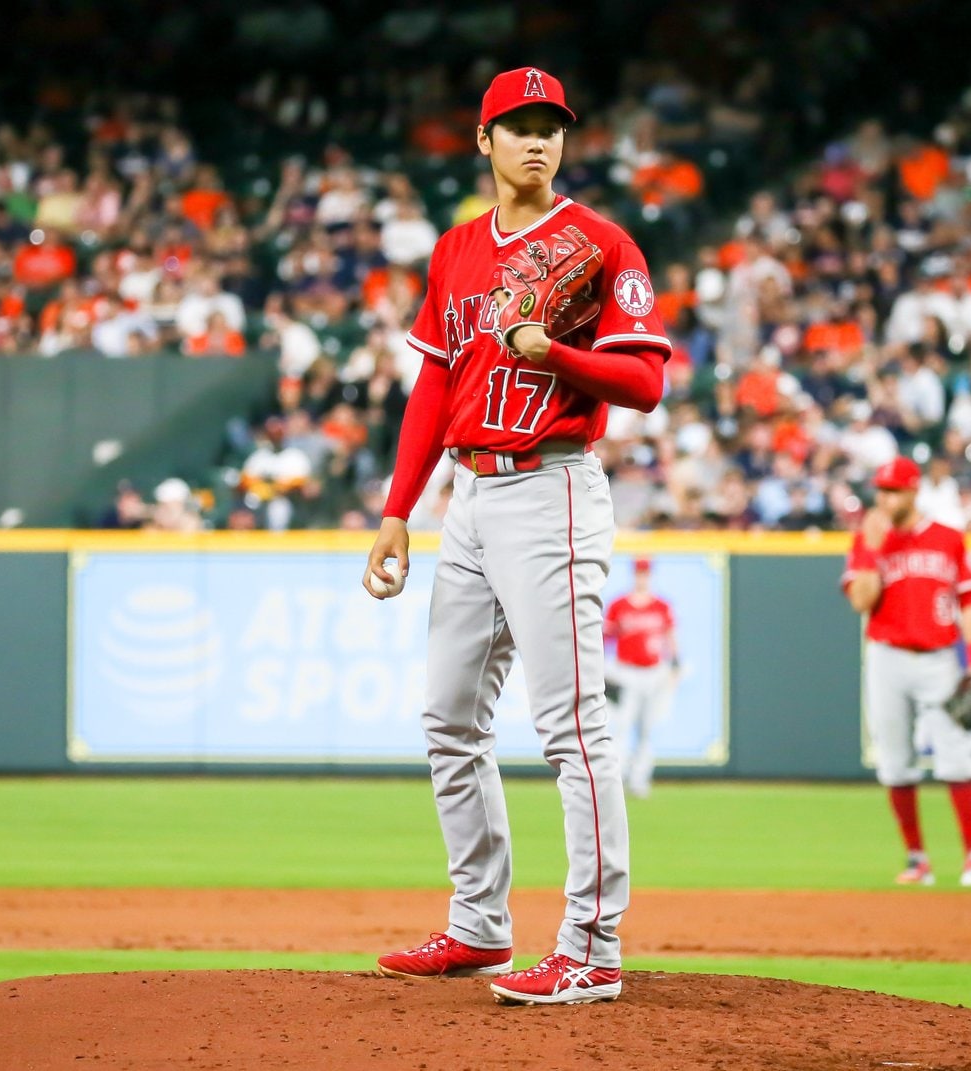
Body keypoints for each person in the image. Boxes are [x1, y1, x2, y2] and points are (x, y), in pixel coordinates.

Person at [365, 67, 670, 1006]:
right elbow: (432, 387)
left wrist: (560, 353)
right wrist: (397, 510)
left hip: (552, 488)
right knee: (450, 718)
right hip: (467, 497)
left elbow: (646, 385)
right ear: (485, 142)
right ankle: (478, 925)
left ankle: (593, 944)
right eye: (519, 126)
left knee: (571, 724)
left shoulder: (600, 244)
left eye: (552, 127)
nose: (538, 141)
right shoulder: (456, 249)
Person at [840, 456, 971, 888]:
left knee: (956, 755)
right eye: (880, 489)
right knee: (895, 762)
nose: (884, 498)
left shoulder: (947, 538)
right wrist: (874, 550)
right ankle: (917, 860)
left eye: (893, 490)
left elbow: (968, 601)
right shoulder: (868, 538)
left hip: (938, 659)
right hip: (886, 657)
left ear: (914, 491)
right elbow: (860, 602)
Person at [602, 557, 680, 798]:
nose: (642, 577)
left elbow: (670, 637)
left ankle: (640, 780)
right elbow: (605, 639)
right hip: (626, 672)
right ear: (634, 575)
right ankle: (617, 778)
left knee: (647, 729)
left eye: (645, 573)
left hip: (654, 672)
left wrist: (675, 664)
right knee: (622, 727)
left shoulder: (661, 606)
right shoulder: (619, 605)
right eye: (639, 573)